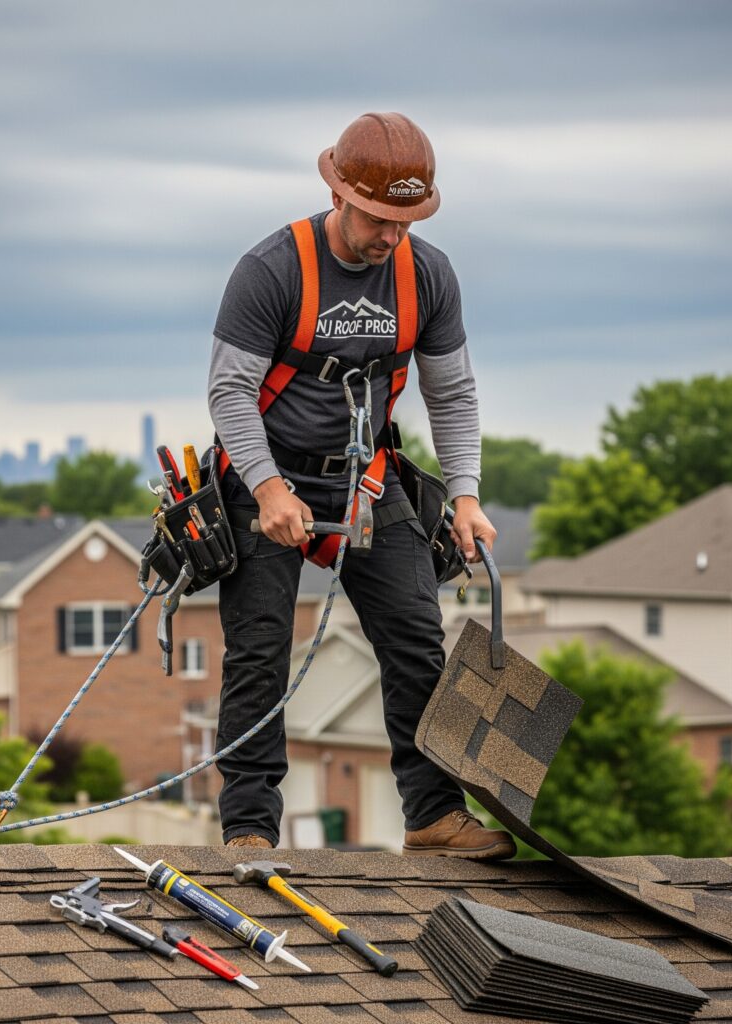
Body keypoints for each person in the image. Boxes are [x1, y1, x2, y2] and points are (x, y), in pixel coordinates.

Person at [208, 111, 515, 860]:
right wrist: (269, 489)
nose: (389, 237)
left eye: (406, 221)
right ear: (338, 192)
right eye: (379, 218)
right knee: (259, 649)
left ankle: (434, 818)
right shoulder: (273, 268)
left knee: (416, 636)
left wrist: (466, 493)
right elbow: (228, 392)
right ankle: (249, 829)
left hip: (367, 480)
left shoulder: (426, 273)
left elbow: (453, 394)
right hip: (266, 475)